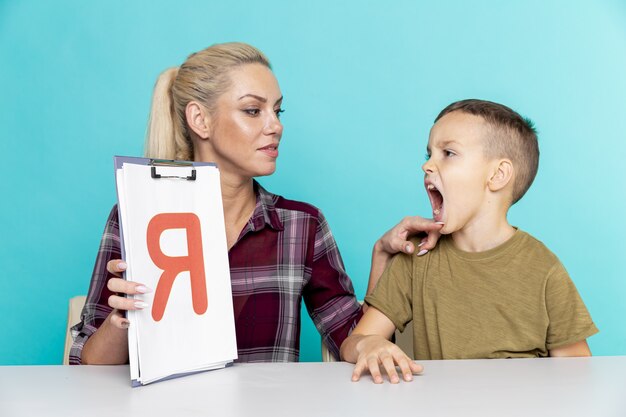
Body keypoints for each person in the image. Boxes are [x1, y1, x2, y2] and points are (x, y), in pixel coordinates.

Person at [69, 42, 444, 365]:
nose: (275, 125)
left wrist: (381, 257)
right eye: (253, 110)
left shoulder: (302, 225)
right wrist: (122, 317)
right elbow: (88, 362)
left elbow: (352, 340)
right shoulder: (138, 217)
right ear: (200, 119)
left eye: (277, 111)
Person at [340, 99, 599, 383]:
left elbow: (577, 372)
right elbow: (354, 342)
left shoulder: (544, 268)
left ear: (497, 175)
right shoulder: (418, 254)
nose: (427, 165)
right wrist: (369, 344)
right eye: (429, 154)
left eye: (448, 153)